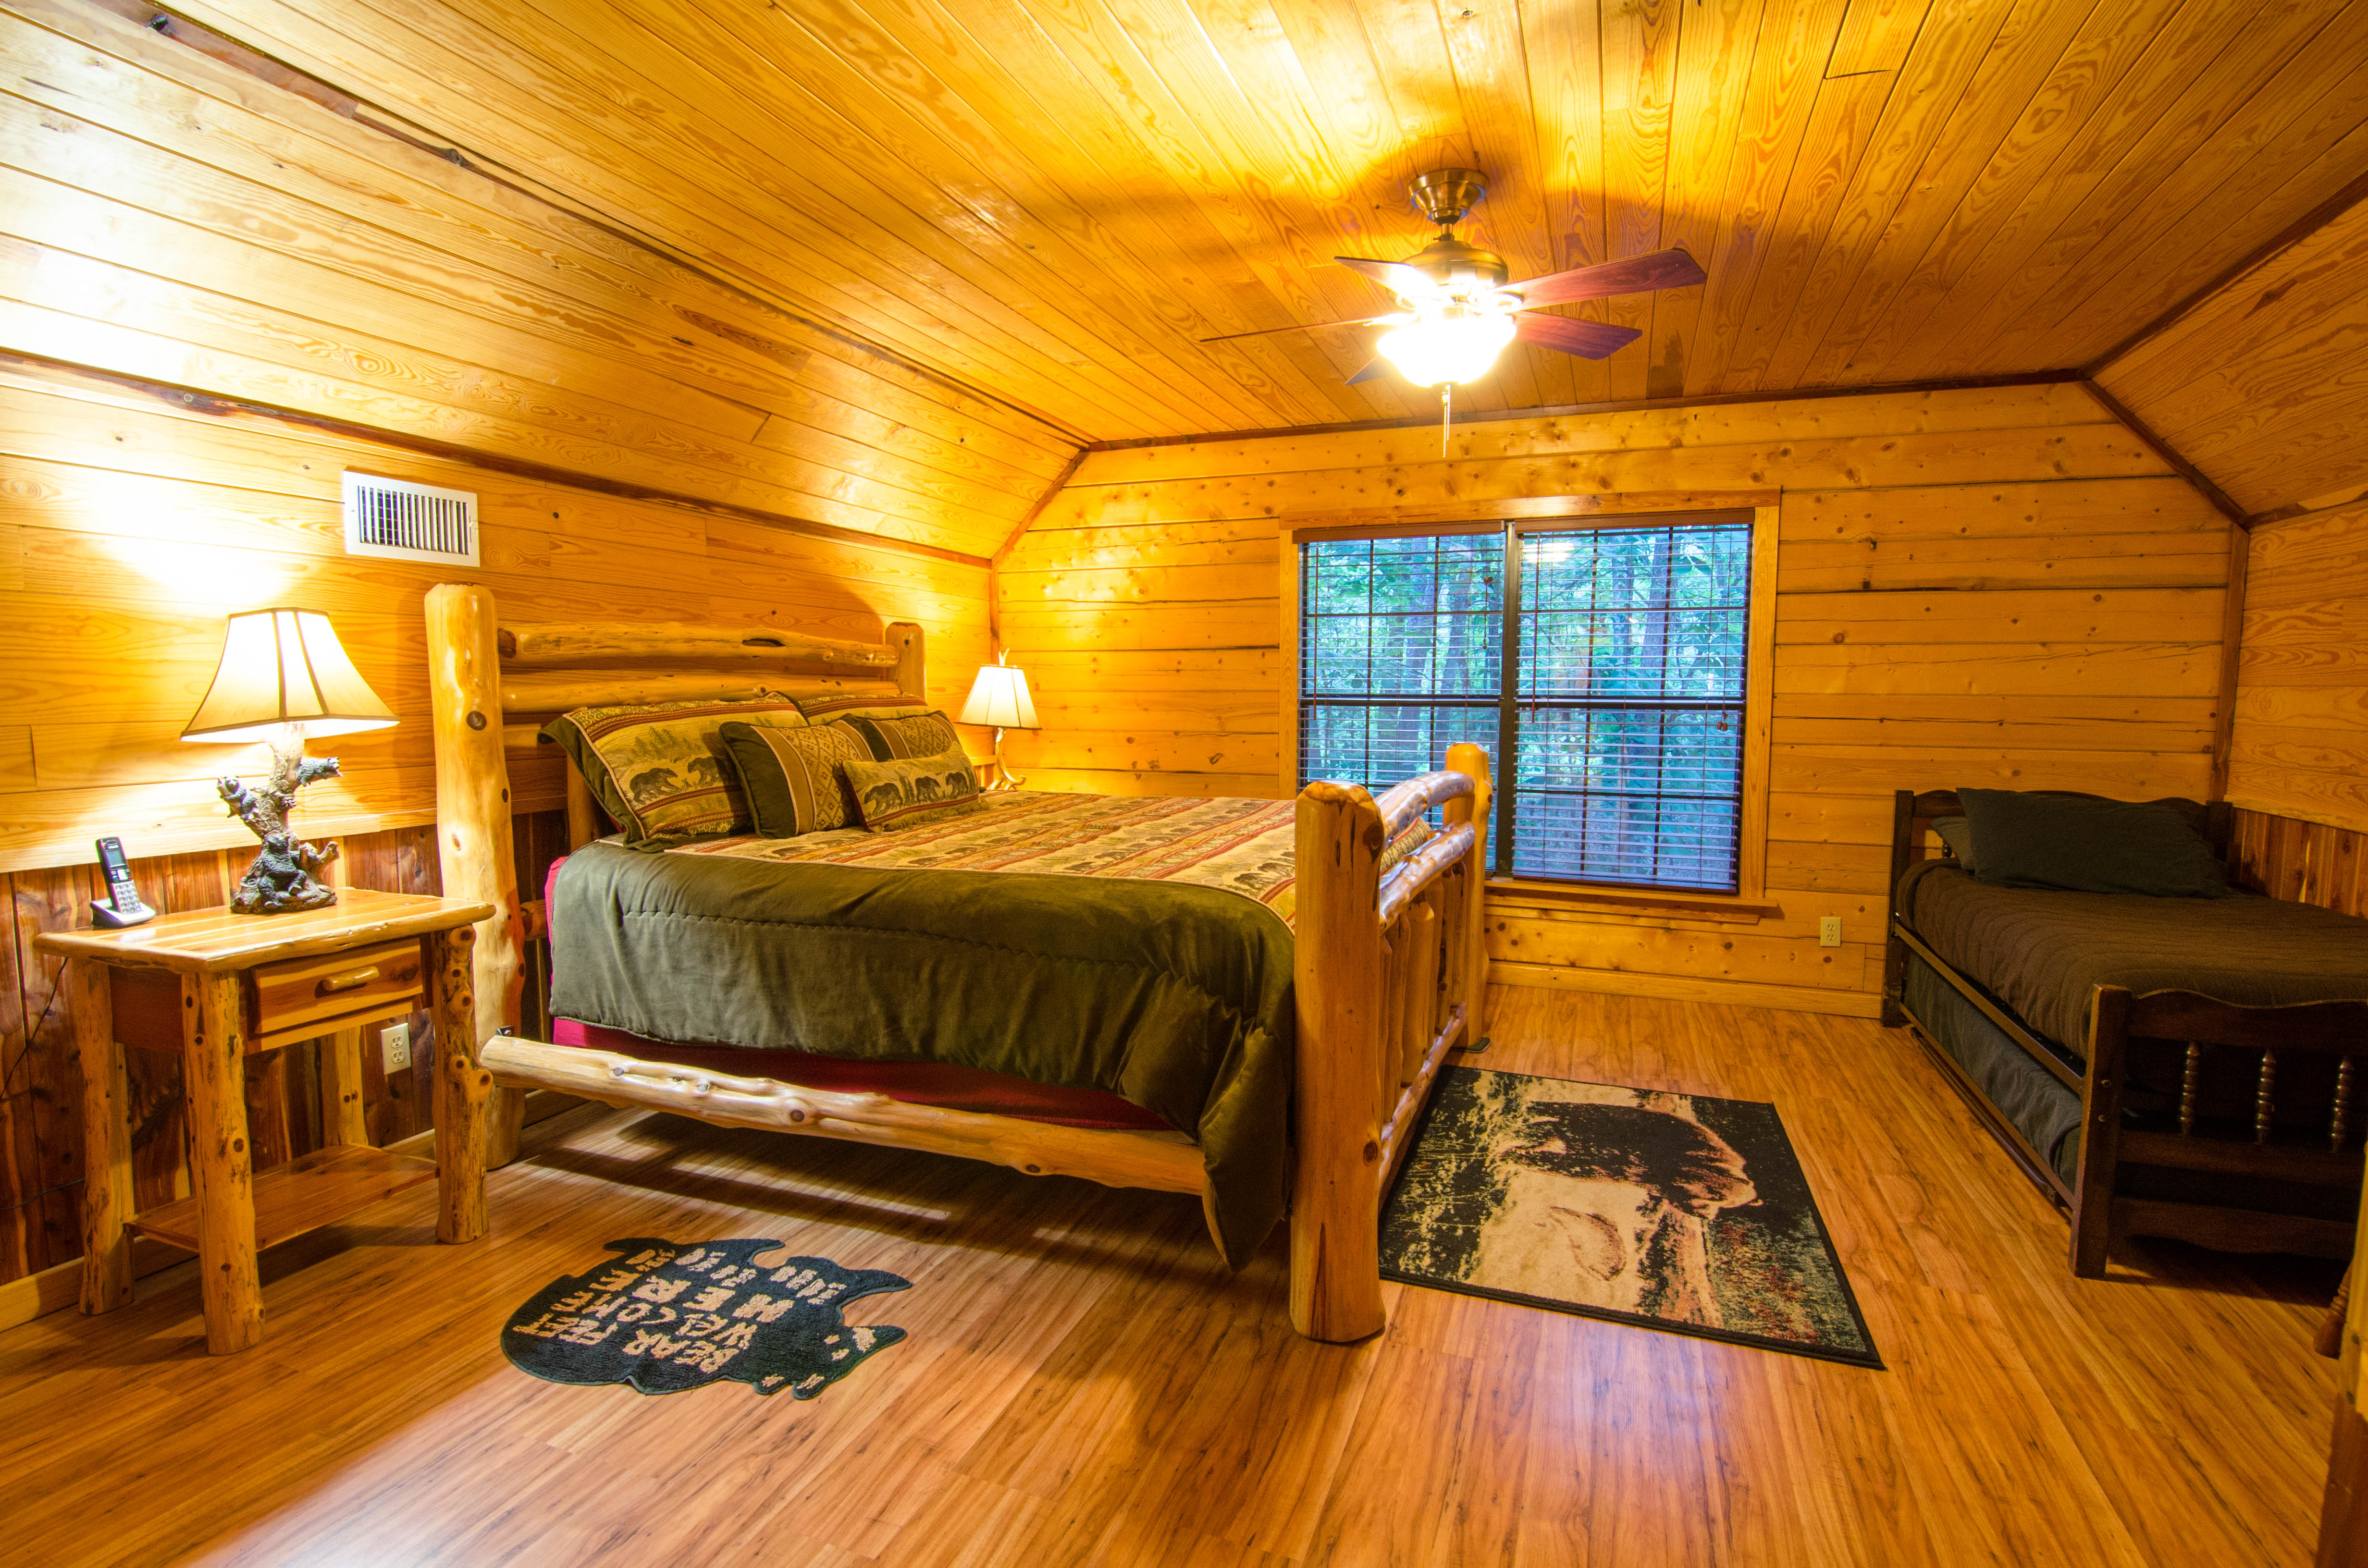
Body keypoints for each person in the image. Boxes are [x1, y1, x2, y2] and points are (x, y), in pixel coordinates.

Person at [1469, 1098, 1758, 1323]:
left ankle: (1505, 1143)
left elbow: (1683, 1186)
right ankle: (1504, 1151)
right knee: (1563, 1148)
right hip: (1632, 1154)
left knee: (1558, 1126)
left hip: (1635, 1147)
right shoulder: (1733, 1188)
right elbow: (1685, 1188)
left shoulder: (1731, 1167)